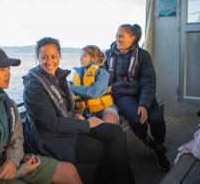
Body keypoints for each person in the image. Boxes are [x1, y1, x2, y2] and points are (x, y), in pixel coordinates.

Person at [0, 47, 82, 184]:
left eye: (8, 69)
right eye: (2, 69)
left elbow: (16, 141)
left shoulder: (9, 105)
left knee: (68, 171)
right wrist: (19, 170)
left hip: (9, 162)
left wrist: (13, 161)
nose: (8, 74)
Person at [23, 37, 135, 184]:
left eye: (53, 56)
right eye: (44, 57)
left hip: (68, 125)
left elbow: (69, 107)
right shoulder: (34, 86)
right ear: (37, 58)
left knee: (115, 132)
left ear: (59, 56)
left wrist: (78, 115)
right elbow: (52, 124)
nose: (49, 61)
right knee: (104, 149)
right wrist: (87, 124)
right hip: (51, 139)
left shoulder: (58, 76)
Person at [105, 24, 171, 171]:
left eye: (121, 36)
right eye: (116, 35)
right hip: (121, 94)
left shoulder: (143, 55)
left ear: (132, 37)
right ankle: (149, 142)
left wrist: (144, 104)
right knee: (137, 119)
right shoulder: (109, 53)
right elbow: (101, 75)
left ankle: (159, 147)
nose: (117, 38)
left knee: (156, 119)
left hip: (142, 92)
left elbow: (149, 81)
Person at [70, 45, 119, 124]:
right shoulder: (79, 73)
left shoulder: (102, 72)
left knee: (109, 127)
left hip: (104, 108)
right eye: (81, 56)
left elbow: (93, 93)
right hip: (84, 111)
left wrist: (72, 88)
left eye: (84, 56)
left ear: (94, 58)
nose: (80, 58)